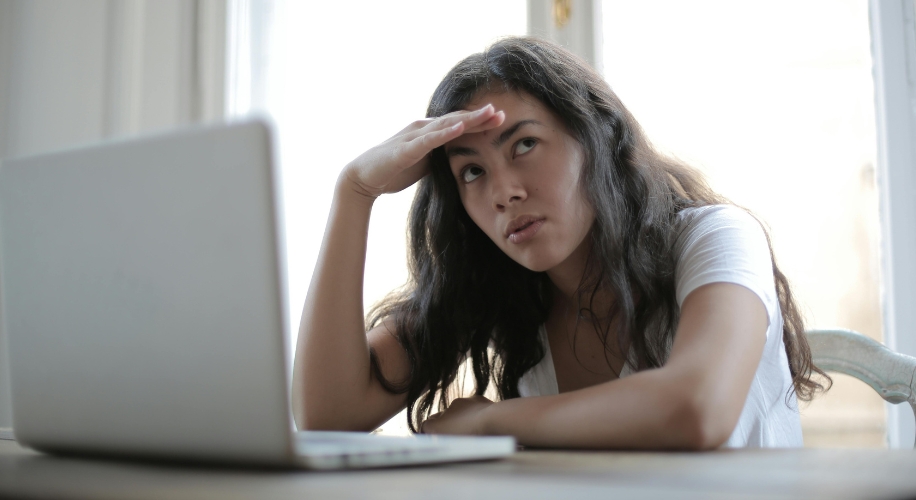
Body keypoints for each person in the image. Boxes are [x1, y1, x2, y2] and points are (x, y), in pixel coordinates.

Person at [292, 36, 830, 449]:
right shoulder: (499, 284)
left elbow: (698, 408)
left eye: (524, 143)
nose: (504, 192)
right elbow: (328, 415)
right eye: (472, 172)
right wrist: (354, 192)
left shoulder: (715, 238)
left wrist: (489, 421)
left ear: (596, 137)